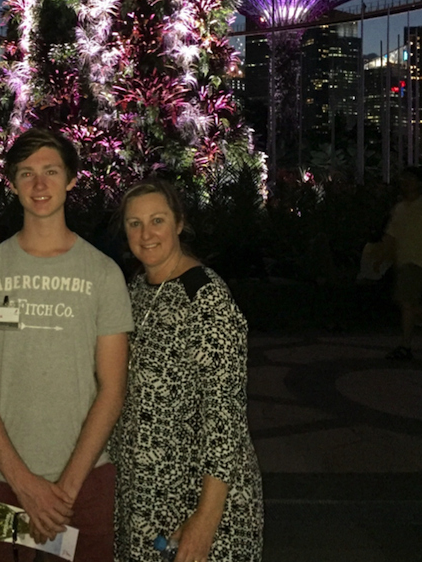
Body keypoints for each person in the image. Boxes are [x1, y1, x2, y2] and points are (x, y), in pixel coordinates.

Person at [0, 128, 133, 562]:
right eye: (26, 173)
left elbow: (112, 388)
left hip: (80, 487)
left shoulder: (102, 274)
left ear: (71, 180)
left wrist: (63, 491)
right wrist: (26, 487)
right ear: (12, 182)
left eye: (51, 172)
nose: (39, 185)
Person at [112, 179, 263, 562]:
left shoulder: (206, 296)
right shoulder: (136, 288)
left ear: (179, 223)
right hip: (144, 492)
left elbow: (225, 417)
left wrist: (205, 520)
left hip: (195, 495)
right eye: (135, 224)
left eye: (157, 220)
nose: (146, 235)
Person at [378, 166, 422, 360]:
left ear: (420, 183)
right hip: (403, 261)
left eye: (410, 179)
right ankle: (406, 344)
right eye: (404, 179)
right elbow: (391, 235)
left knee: (406, 302)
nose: (406, 182)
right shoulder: (400, 208)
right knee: (408, 303)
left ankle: (406, 345)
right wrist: (383, 256)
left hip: (419, 261)